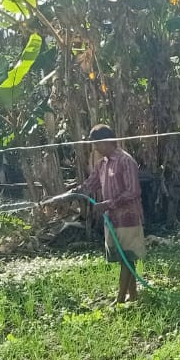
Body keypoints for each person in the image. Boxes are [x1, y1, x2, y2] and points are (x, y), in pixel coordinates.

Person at [71, 124, 146, 304]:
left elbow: (133, 191)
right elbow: (90, 184)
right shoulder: (102, 164)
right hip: (112, 220)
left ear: (108, 141)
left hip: (128, 218)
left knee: (127, 257)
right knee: (124, 259)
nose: (95, 148)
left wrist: (108, 204)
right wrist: (74, 192)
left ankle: (120, 300)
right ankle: (132, 295)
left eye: (97, 143)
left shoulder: (125, 161)